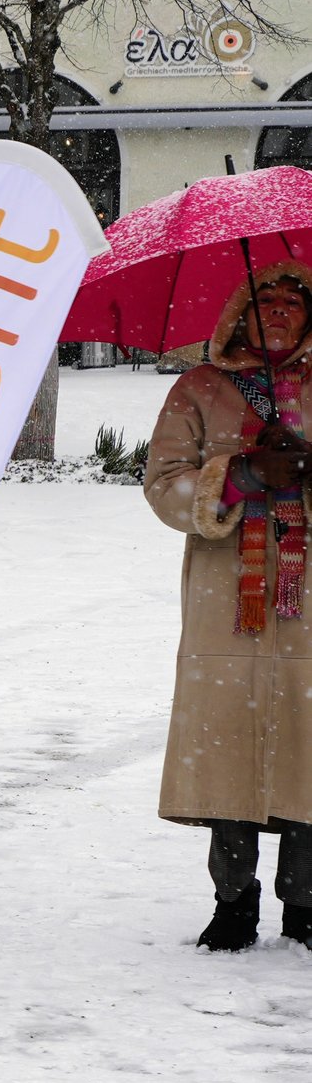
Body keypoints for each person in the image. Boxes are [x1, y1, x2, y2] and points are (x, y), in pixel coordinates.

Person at [143, 263, 312, 951]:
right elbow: (163, 484)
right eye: (264, 297)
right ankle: (233, 901)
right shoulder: (199, 389)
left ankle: (306, 905)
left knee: (308, 749)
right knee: (227, 748)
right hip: (226, 603)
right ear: (240, 312)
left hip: (307, 609)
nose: (278, 309)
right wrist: (239, 475)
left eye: (293, 300)